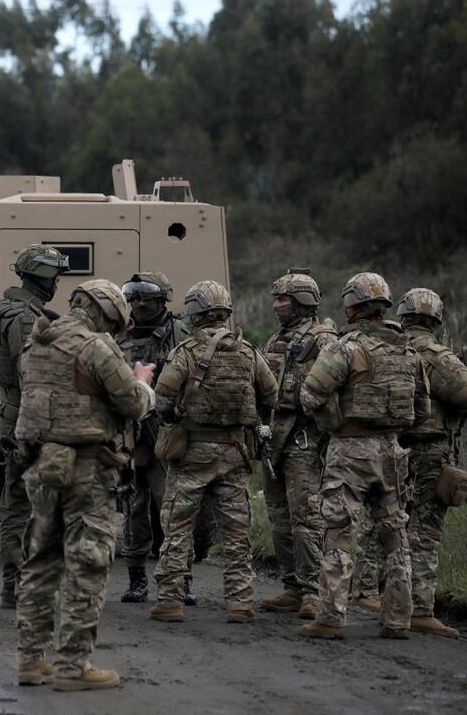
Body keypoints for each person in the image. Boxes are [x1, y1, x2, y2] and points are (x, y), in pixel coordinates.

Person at [14, 280, 155, 692]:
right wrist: (142, 379)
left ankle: (30, 661)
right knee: (87, 563)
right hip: (87, 469)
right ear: (106, 314)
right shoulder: (96, 347)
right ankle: (73, 666)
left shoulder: (36, 343)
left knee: (40, 563)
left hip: (42, 466)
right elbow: (132, 404)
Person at [297, 272, 429, 640]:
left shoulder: (346, 347)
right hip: (391, 451)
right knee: (395, 534)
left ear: (352, 307)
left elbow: (309, 395)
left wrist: (332, 417)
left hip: (350, 451)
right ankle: (398, 619)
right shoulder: (408, 351)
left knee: (338, 532)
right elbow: (421, 409)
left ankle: (330, 617)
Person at [149, 281, 277, 625]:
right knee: (236, 533)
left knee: (177, 529)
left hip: (191, 453)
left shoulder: (186, 352)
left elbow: (161, 398)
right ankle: (240, 603)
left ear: (194, 314)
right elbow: (271, 394)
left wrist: (174, 416)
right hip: (234, 453)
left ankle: (170, 601)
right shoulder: (249, 352)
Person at [0, 244, 69, 608]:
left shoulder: (16, 309)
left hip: (17, 414)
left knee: (21, 502)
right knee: (25, 504)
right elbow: (31, 374)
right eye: (55, 277)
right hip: (28, 418)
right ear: (43, 278)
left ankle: (19, 583)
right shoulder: (23, 317)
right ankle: (19, 584)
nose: (57, 284)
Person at [397, 289, 467, 636]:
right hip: (430, 452)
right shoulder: (435, 355)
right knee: (425, 531)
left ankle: (391, 603)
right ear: (436, 320)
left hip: (391, 448)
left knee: (391, 526)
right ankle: (421, 609)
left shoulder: (389, 348)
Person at [259, 270, 336, 619]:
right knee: (279, 518)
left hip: (305, 439)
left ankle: (312, 591)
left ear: (303, 301)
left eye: (283, 299)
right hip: (274, 440)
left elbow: (330, 393)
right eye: (276, 299)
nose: (276, 305)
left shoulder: (324, 340)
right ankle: (291, 587)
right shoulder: (276, 340)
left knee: (307, 518)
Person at [115, 271, 193, 605]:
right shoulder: (121, 336)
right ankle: (137, 579)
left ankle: (181, 579)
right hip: (132, 435)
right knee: (134, 509)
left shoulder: (179, 333)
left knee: (171, 510)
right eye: (134, 298)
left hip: (167, 432)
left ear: (162, 300)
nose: (139, 304)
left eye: (146, 298)